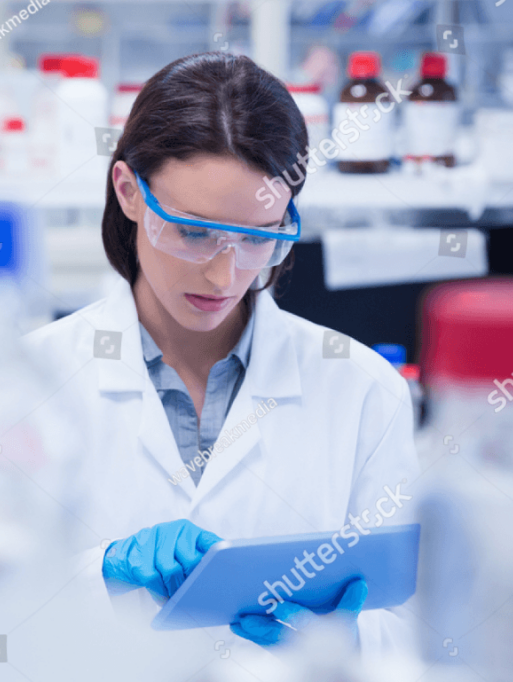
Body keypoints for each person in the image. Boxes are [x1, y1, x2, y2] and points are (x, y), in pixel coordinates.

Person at [22, 52, 419, 658]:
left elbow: (413, 626)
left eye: (260, 236)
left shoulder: (363, 389)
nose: (223, 273)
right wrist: (98, 576)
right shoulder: (31, 382)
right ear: (129, 192)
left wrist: (342, 638)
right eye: (194, 231)